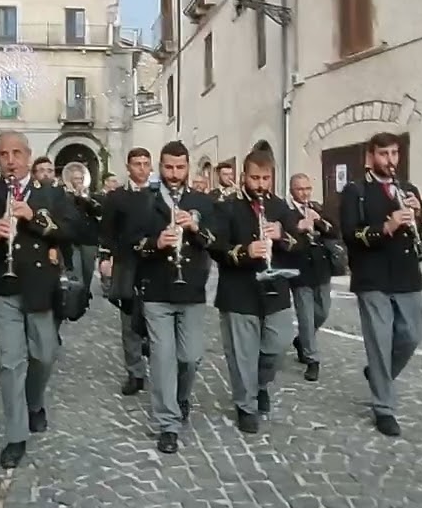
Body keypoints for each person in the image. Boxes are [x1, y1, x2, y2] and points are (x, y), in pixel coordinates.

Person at [0, 131, 77, 468]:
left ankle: (34, 402)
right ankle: (16, 435)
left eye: (16, 153)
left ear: (28, 156)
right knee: (10, 362)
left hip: (41, 286)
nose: (10, 160)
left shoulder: (50, 193)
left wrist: (35, 218)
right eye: (4, 154)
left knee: (44, 354)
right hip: (3, 287)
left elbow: (71, 231)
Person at [210, 150, 313, 434]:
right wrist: (245, 251)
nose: (260, 184)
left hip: (275, 289)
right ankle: (246, 405)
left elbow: (301, 244)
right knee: (242, 355)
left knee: (278, 345)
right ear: (244, 176)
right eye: (255, 178)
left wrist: (282, 236)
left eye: (266, 178)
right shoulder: (227, 207)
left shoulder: (280, 207)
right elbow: (216, 247)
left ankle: (261, 384)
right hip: (238, 291)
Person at [339, 131, 422, 438]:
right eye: (383, 154)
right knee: (379, 341)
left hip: (407, 274)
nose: (390, 160)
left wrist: (418, 217)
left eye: (394, 153)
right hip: (372, 276)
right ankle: (384, 408)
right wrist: (387, 227)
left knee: (411, 336)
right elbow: (350, 234)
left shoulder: (409, 189)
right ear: (371, 157)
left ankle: (378, 373)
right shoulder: (355, 191)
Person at [130, 141, 216, 454]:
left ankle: (181, 397)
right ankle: (168, 423)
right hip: (157, 290)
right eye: (168, 167)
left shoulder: (201, 201)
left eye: (180, 168)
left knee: (189, 357)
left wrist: (195, 227)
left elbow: (214, 242)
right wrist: (156, 243)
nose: (174, 174)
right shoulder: (145, 201)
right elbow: (133, 244)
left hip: (191, 290)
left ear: (188, 167)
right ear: (160, 167)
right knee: (162, 358)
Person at [98, 148, 153, 396]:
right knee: (129, 319)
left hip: (154, 263)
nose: (141, 168)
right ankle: (135, 372)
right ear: (129, 167)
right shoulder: (116, 197)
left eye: (145, 163)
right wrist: (106, 258)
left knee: (156, 316)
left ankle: (159, 364)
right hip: (127, 263)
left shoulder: (158, 195)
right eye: (137, 164)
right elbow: (107, 231)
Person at [287, 173, 340, 382]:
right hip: (300, 270)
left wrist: (319, 221)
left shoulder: (318, 207)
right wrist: (299, 227)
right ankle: (312, 359)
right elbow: (285, 237)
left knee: (323, 311)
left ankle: (301, 340)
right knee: (306, 317)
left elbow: (334, 231)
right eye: (300, 189)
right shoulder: (287, 212)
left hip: (321, 269)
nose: (305, 193)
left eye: (307, 188)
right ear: (292, 190)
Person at [61, 161, 101, 297]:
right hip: (72, 240)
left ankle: (85, 296)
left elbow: (98, 211)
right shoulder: (65, 196)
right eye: (75, 178)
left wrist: (86, 198)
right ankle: (77, 299)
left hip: (89, 240)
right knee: (76, 273)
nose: (78, 181)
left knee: (88, 271)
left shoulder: (91, 196)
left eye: (80, 178)